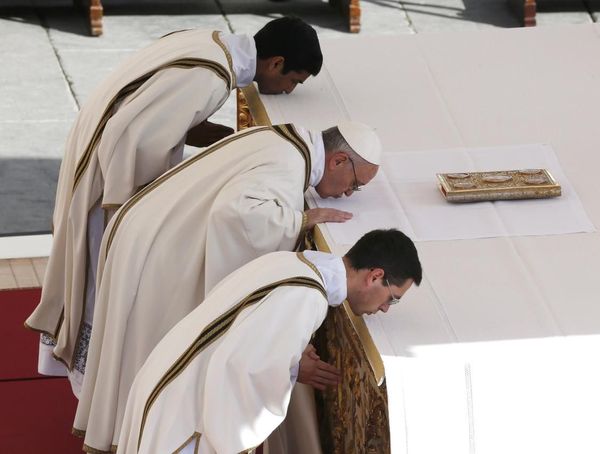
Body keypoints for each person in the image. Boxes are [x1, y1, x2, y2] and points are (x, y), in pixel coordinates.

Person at [24, 17, 323, 392]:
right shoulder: (211, 78)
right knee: (106, 281)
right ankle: (100, 387)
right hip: (109, 181)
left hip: (92, 143)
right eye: (293, 81)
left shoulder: (209, 41)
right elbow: (130, 135)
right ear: (275, 63)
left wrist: (198, 130)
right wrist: (161, 202)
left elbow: (149, 105)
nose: (289, 90)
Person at [73, 121, 382, 453]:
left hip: (151, 229)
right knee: (148, 348)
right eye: (355, 185)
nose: (349, 194)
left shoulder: (289, 140)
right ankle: (135, 437)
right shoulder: (289, 170)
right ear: (337, 161)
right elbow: (233, 214)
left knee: (150, 359)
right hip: (160, 255)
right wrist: (299, 220)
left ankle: (131, 433)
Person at [116, 229, 422, 454]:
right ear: (375, 276)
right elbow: (245, 369)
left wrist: (291, 353)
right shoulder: (308, 299)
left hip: (168, 379)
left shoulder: (293, 263)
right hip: (186, 415)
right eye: (391, 299)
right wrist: (292, 368)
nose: (383, 309)